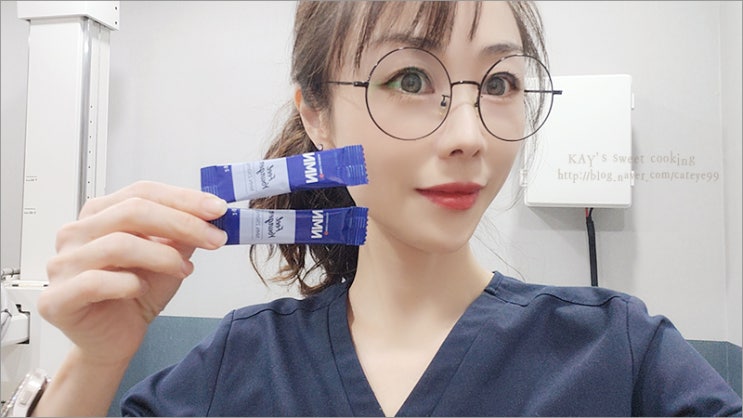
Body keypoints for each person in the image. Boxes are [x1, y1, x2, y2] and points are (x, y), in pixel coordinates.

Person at [28, 1, 741, 416]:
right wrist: (93, 362)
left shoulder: (621, 354)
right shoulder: (235, 367)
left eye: (498, 83)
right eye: (409, 78)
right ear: (317, 116)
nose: (469, 137)